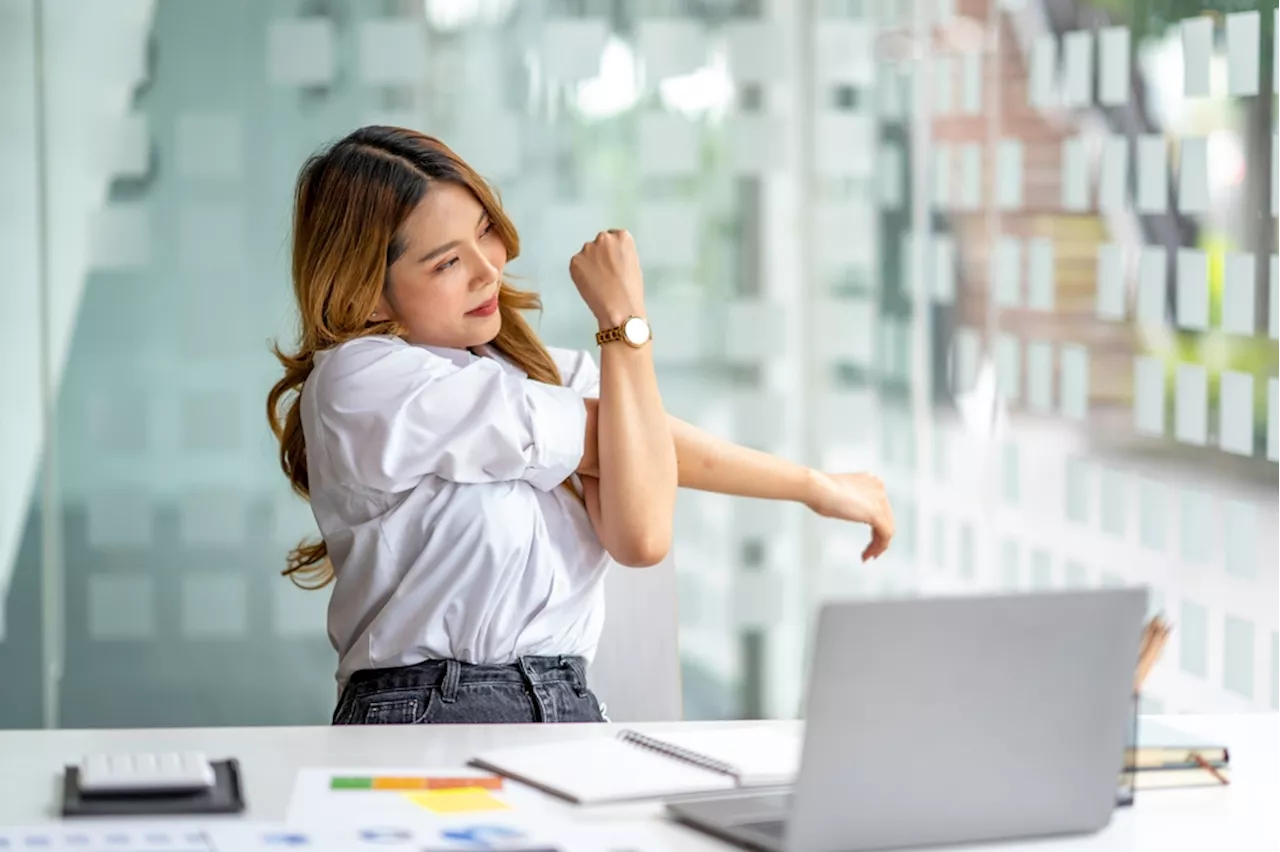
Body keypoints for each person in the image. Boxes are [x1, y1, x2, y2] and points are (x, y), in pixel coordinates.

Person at [267, 126, 895, 726]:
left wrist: (817, 485)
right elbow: (628, 452)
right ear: (371, 293)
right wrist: (623, 320)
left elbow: (640, 531)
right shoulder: (363, 380)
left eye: (485, 232)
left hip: (570, 705)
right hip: (428, 710)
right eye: (445, 263)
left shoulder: (545, 375)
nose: (489, 269)